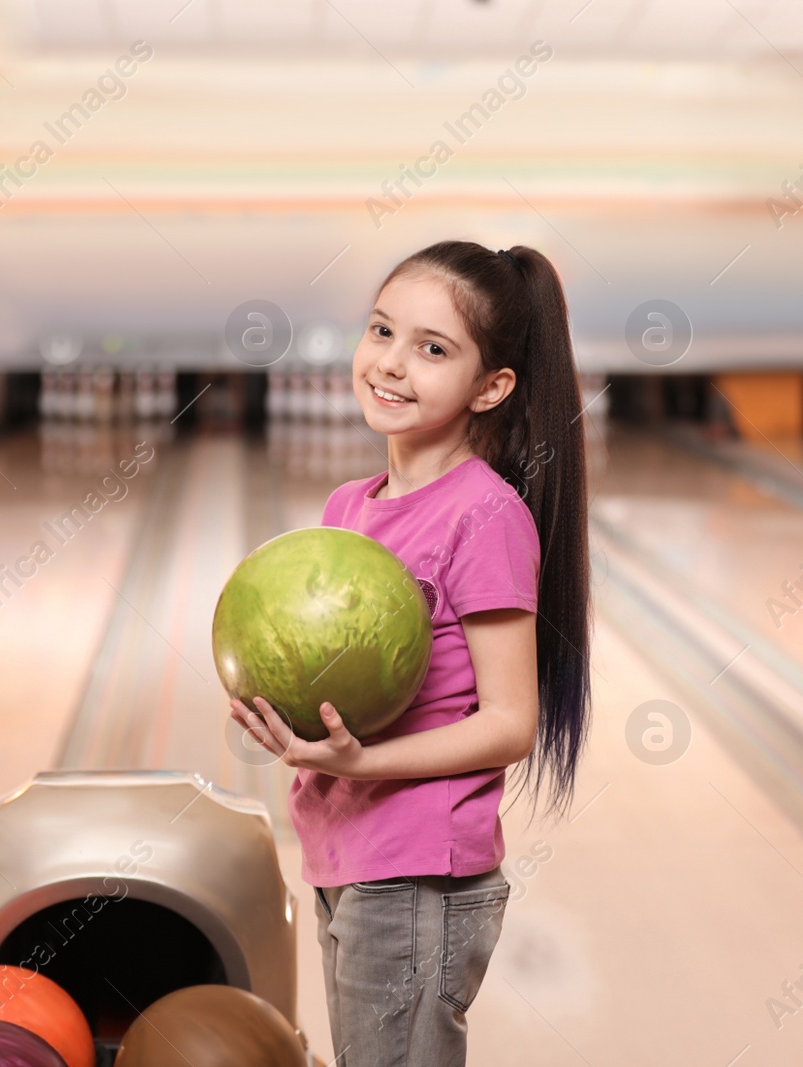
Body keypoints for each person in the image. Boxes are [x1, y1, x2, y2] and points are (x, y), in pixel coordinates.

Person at [230, 240, 593, 1065]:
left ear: (491, 386)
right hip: (344, 847)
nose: (392, 363)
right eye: (381, 330)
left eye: (433, 349)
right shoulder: (347, 506)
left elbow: (509, 723)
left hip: (420, 870)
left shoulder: (484, 516)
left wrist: (364, 764)